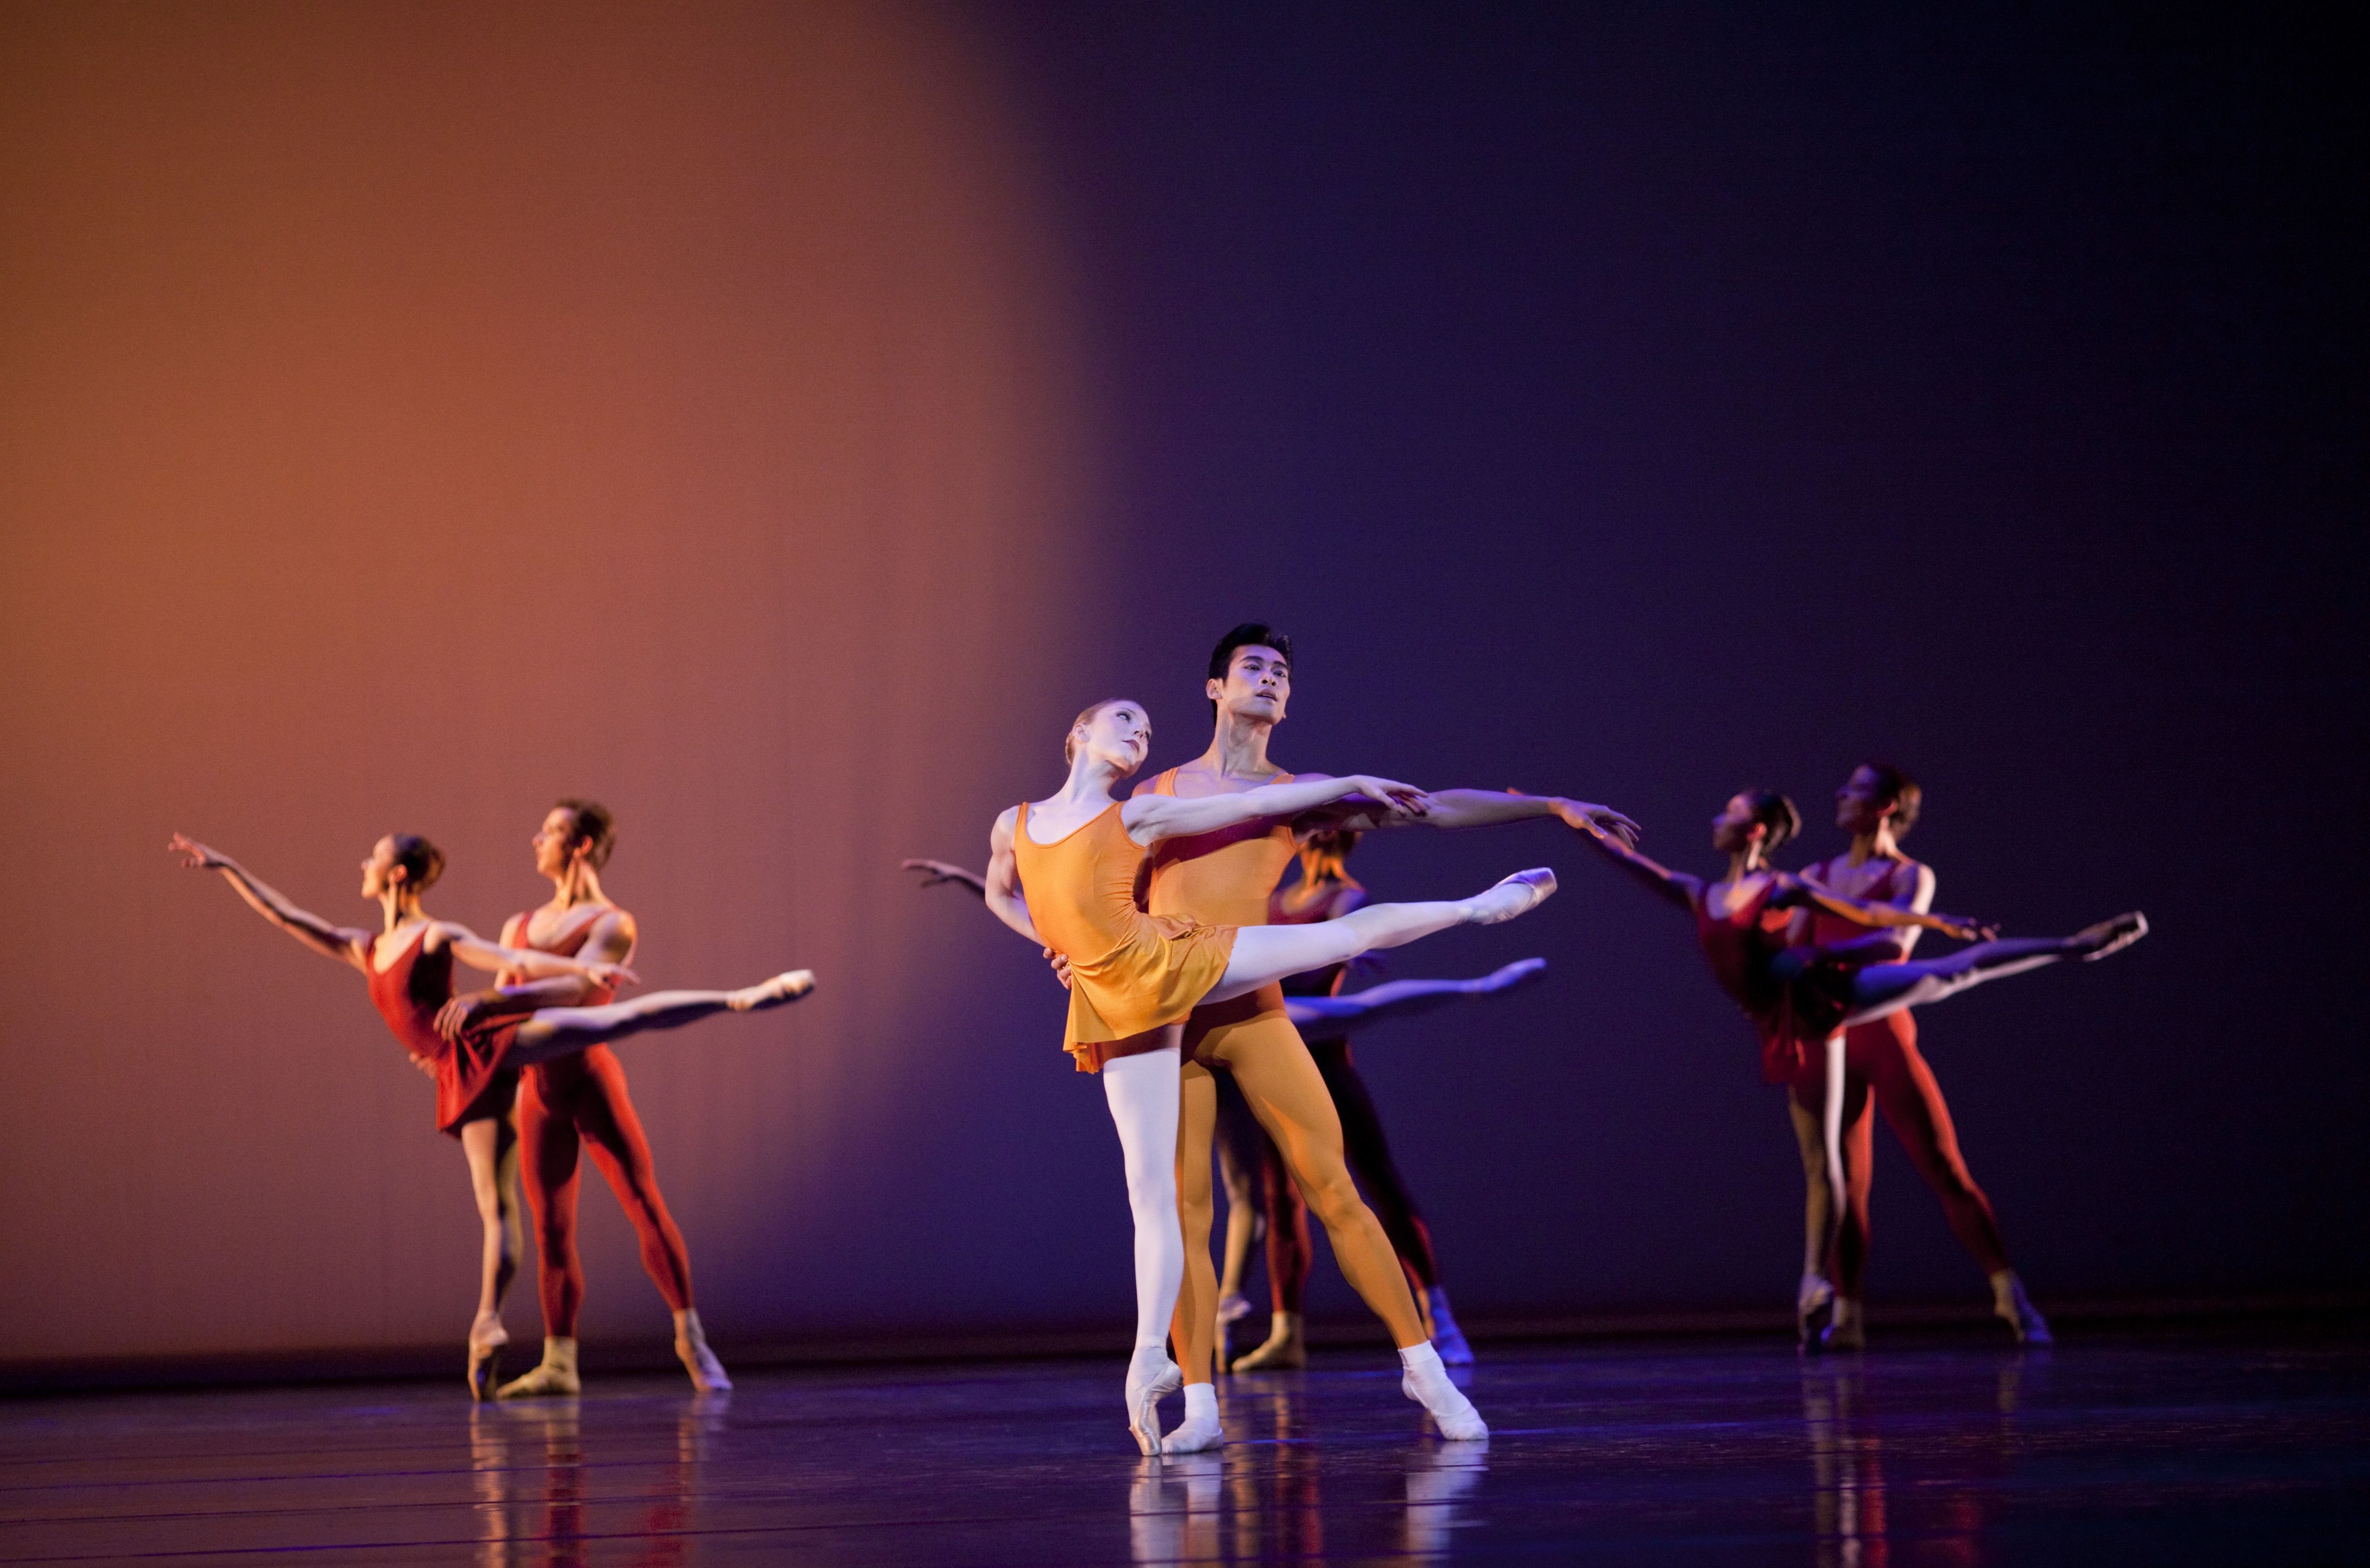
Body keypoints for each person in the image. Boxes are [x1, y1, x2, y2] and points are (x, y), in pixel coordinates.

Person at [977, 697, 1558, 1454]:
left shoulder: (1137, 817)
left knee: (1334, 940)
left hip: (1176, 959)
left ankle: (1478, 909)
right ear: (1078, 733)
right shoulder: (1011, 823)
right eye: (1123, 719)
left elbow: (1262, 801)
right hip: (1123, 1008)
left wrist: (1343, 780)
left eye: (1147, 729)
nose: (1139, 733)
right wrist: (1055, 947)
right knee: (1157, 1199)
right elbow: (1000, 891)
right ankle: (1183, 1389)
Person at [1126, 623, 1635, 1449]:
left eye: (1281, 672)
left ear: (1287, 701)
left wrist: (1549, 808)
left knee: (1335, 1189)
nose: (1269, 677)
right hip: (1169, 1012)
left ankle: (1424, 1373)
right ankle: (1202, 1406)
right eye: (1252, 666)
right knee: (1186, 1214)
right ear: (1214, 689)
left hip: (1251, 1006)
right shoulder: (1164, 788)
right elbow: (1104, 882)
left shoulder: (1309, 792)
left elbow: (1433, 808)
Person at [167, 832, 814, 1397]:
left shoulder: (434, 934)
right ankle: (487, 1323)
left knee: (613, 1019)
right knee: (496, 1209)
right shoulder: (363, 946)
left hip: (484, 1045)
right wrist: (228, 868)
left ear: (398, 874)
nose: (361, 863)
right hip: (456, 1072)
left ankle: (740, 998)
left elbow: (507, 962)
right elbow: (288, 917)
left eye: (375, 857)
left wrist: (581, 970)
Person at [1563, 791, 2146, 1345]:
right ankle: (1827, 1291)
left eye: (1730, 812)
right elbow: (1633, 865)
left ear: (1756, 830)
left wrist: (1939, 924)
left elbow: (1860, 912)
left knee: (1948, 975)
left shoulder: (1780, 886)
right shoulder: (1700, 893)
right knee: (1823, 1160)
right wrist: (1563, 815)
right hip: (1782, 1023)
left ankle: (2075, 945)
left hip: (1822, 996)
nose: (1717, 819)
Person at [434, 801, 731, 1398]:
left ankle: (690, 1338)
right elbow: (505, 1007)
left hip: (591, 1081)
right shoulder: (518, 926)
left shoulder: (613, 923)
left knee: (642, 1202)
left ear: (582, 845)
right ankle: (560, 1362)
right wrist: (456, 1042)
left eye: (549, 831)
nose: (536, 838)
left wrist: (490, 1002)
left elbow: (573, 986)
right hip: (537, 1092)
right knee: (551, 1228)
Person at [1231, 828, 1535, 1372]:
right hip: (1277, 1051)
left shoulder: (1345, 899)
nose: (1303, 836)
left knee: (1376, 1179)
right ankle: (1287, 1332)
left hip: (1323, 1053)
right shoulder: (1276, 902)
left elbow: (1334, 950)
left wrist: (1349, 949)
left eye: (1313, 826)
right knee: (1281, 1197)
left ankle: (1437, 1316)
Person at [1790, 764, 2051, 1347]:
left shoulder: (1911, 876)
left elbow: (1894, 944)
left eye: (1854, 789)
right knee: (1847, 1185)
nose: (1839, 794)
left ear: (1885, 807)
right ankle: (1849, 1318)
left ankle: (2010, 1294)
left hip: (1884, 1033)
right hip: (1832, 1037)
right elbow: (1794, 945)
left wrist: (1824, 955)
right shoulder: (1814, 875)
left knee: (1944, 1166)